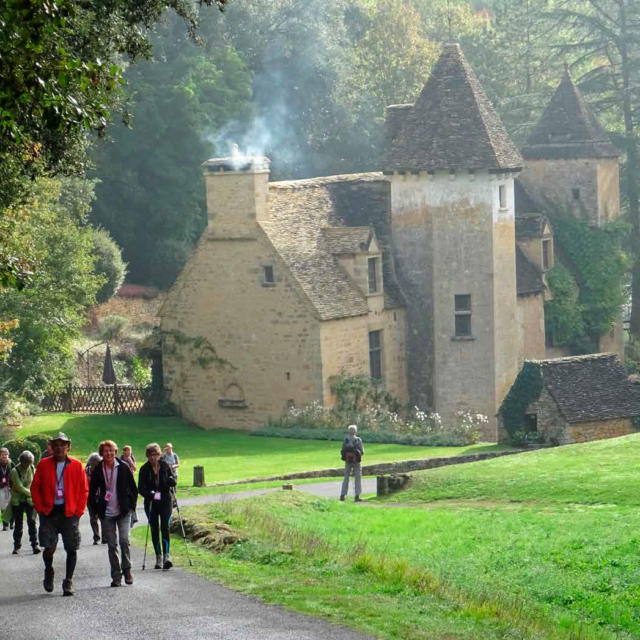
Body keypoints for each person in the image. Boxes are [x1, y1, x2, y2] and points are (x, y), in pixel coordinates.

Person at [31, 432, 88, 596]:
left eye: (62, 445)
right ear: (51, 448)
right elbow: (35, 487)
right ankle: (49, 570)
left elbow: (84, 490)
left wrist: (78, 511)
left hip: (69, 513)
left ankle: (68, 580)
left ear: (68, 447)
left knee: (72, 547)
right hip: (49, 513)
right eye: (55, 445)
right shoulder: (43, 464)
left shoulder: (76, 465)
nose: (59, 448)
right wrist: (40, 507)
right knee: (49, 548)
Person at [89, 440, 138, 587]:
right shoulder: (98, 470)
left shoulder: (123, 467)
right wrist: (97, 509)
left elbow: (133, 489)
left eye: (111, 450)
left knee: (124, 541)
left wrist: (131, 506)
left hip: (123, 511)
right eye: (105, 451)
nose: (109, 453)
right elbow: (91, 492)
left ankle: (127, 570)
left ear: (115, 452)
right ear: (101, 453)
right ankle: (116, 575)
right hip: (107, 513)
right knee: (112, 545)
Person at [138, 442, 176, 570]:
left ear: (159, 455)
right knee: (154, 528)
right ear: (147, 456)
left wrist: (171, 481)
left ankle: (166, 556)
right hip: (151, 502)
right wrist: (150, 494)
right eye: (151, 455)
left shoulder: (165, 466)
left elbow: (173, 480)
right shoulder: (144, 469)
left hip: (165, 500)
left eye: (156, 454)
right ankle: (158, 557)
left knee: (165, 526)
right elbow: (140, 488)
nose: (153, 457)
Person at [9, 450, 40, 555]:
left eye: (29, 463)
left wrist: (35, 494)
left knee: (32, 522)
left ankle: (35, 545)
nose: (27, 465)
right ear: (21, 461)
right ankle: (16, 546)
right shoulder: (14, 471)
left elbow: (35, 482)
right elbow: (19, 487)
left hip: (29, 500)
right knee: (18, 524)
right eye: (25, 463)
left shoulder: (32, 468)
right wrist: (32, 494)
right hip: (17, 500)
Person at [339, 424, 364, 502]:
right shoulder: (358, 440)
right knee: (357, 477)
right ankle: (357, 495)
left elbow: (342, 450)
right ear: (355, 431)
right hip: (356, 461)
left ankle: (342, 495)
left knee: (346, 477)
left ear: (349, 431)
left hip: (347, 461)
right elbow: (362, 451)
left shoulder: (346, 440)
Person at [85, 452, 103, 544]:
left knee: (102, 517)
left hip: (100, 497)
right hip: (90, 498)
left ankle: (105, 537)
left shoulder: (101, 472)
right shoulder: (85, 471)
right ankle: (96, 536)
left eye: (97, 464)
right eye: (93, 464)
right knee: (93, 518)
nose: (95, 466)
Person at [0, 447, 12, 530]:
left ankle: (12, 522)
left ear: (8, 455)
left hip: (10, 487)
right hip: (1, 487)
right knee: (3, 506)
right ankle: (5, 524)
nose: (4, 456)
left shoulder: (11, 464)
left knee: (11, 505)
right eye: (3, 454)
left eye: (6, 454)